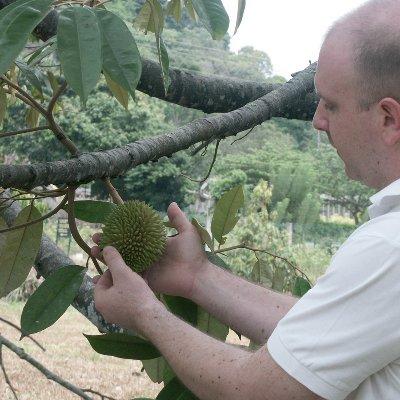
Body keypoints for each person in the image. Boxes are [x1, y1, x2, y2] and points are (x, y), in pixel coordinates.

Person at [90, 0, 400, 398]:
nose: (318, 120)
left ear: (389, 118)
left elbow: (253, 391)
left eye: (331, 104)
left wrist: (144, 312)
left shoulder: (389, 247)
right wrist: (197, 276)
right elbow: (325, 333)